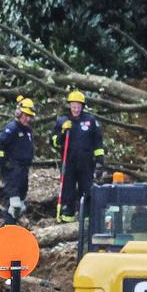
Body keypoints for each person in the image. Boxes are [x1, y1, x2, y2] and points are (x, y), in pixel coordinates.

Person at [52, 90, 105, 223]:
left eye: (78, 106)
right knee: (68, 189)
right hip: (68, 161)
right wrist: (62, 131)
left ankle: (86, 217)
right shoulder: (62, 120)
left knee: (86, 188)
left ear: (82, 106)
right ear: (69, 106)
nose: (76, 109)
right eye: (73, 106)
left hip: (86, 162)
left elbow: (98, 142)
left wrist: (100, 161)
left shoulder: (90, 121)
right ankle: (67, 216)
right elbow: (54, 143)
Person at [0, 96, 37, 224]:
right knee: (13, 204)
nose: (27, 118)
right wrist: (2, 163)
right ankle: (8, 229)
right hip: (13, 171)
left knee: (20, 205)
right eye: (25, 115)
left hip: (23, 170)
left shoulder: (27, 130)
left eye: (29, 116)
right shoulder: (12, 128)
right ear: (19, 113)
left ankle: (14, 228)